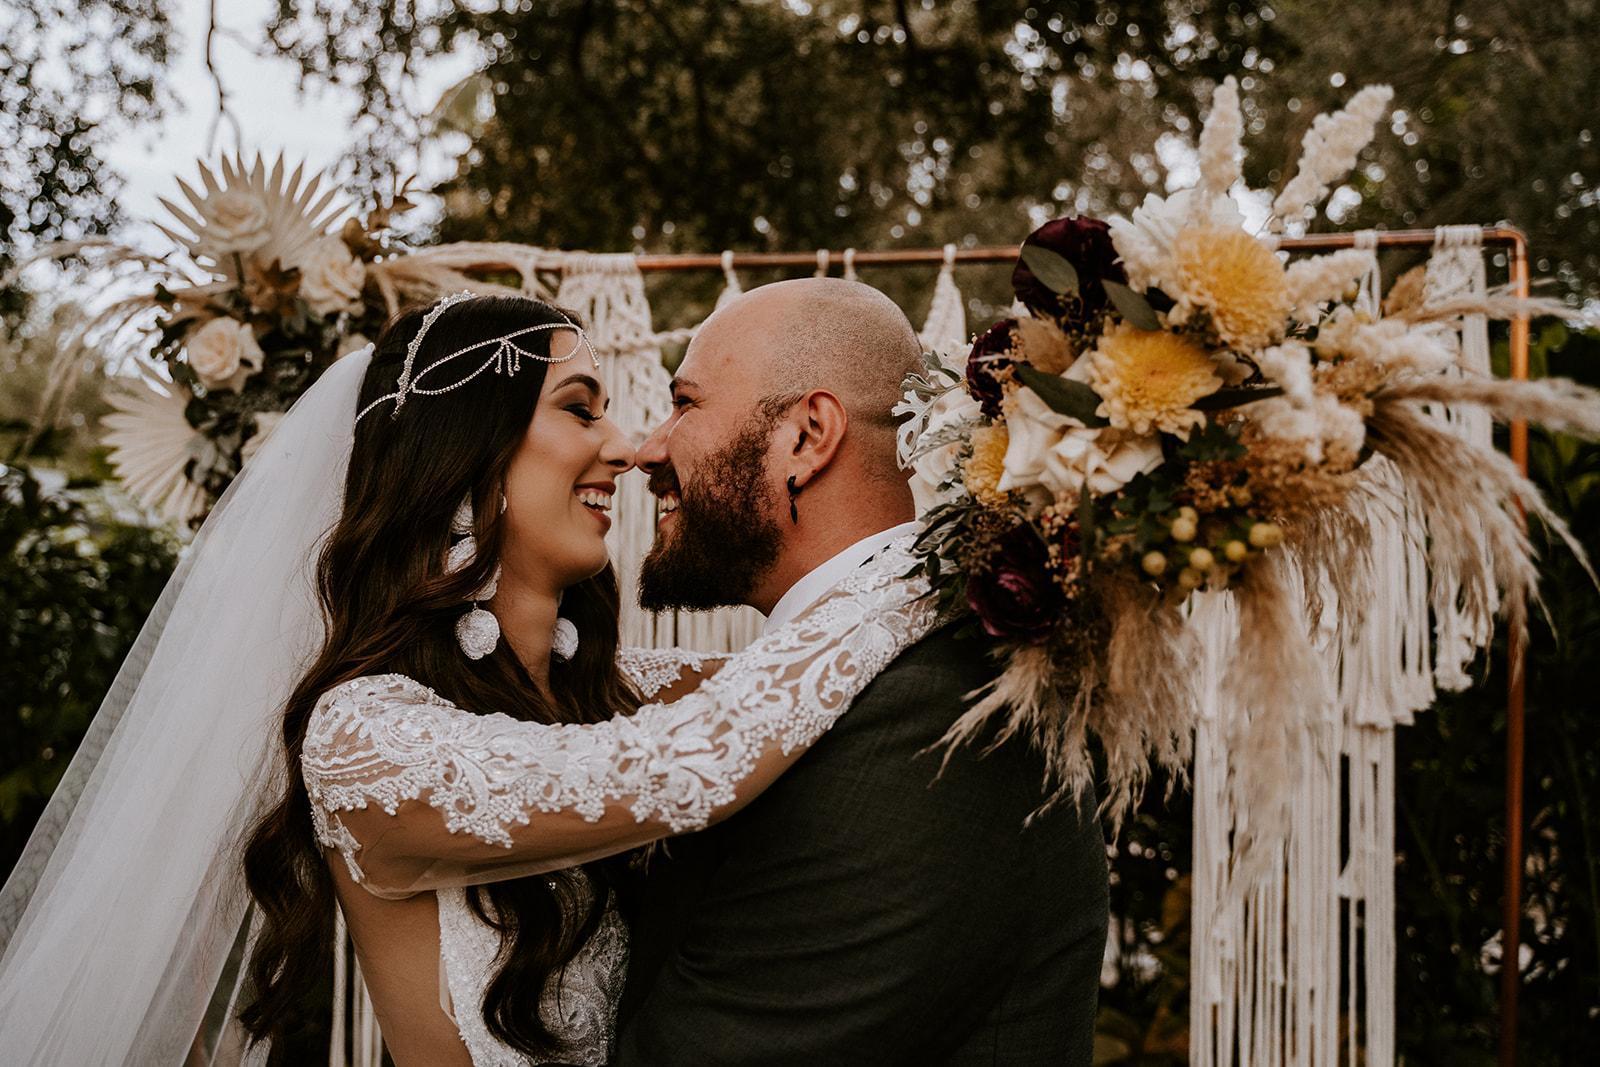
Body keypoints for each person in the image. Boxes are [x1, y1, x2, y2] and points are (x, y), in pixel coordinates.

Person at [0, 293, 937, 1065]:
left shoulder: (615, 691)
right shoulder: (362, 735)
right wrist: (930, 565)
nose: (625, 446)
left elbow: (795, 683)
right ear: (467, 453)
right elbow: (688, 763)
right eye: (580, 408)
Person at [615, 277, 1111, 1064]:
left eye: (685, 403)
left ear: (809, 435)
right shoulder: (851, 678)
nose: (647, 448)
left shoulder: (930, 717)